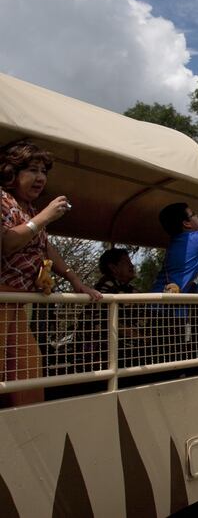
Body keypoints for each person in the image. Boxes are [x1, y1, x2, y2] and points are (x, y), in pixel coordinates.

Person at [0, 140, 101, 405]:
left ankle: (29, 425)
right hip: (1, 299)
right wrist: (44, 217)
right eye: (33, 170)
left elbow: (46, 247)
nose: (40, 177)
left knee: (29, 368)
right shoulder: (2, 199)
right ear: (11, 171)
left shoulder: (29, 208)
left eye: (44, 171)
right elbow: (7, 242)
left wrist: (77, 282)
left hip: (18, 305)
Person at [89, 248, 144, 369]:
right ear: (113, 268)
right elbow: (104, 323)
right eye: (126, 262)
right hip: (104, 349)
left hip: (124, 346)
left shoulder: (126, 287)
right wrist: (138, 335)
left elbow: (144, 303)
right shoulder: (106, 287)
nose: (132, 265)